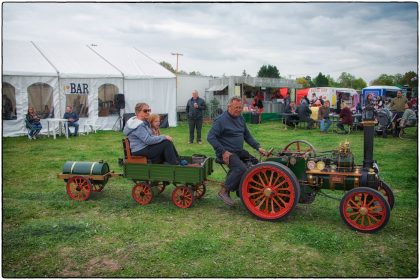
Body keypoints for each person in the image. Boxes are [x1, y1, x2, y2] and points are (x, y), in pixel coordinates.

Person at [207, 96, 267, 206]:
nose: (239, 110)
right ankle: (224, 191)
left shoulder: (240, 119)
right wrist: (223, 151)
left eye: (240, 107)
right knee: (241, 168)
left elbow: (247, 136)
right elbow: (210, 137)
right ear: (229, 106)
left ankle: (251, 191)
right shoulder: (220, 120)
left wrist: (258, 147)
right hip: (226, 153)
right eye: (236, 107)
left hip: (238, 151)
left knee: (257, 165)